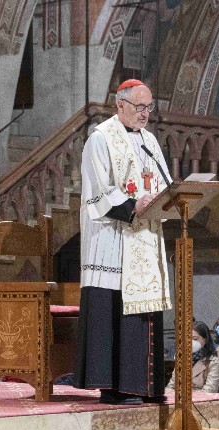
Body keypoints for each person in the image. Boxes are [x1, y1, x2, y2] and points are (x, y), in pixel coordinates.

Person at [73, 79, 172, 406]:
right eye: (139, 107)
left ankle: (146, 386)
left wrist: (164, 198)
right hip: (113, 238)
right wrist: (133, 205)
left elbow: (164, 182)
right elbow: (97, 190)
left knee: (144, 311)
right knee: (113, 309)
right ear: (120, 105)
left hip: (145, 238)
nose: (145, 114)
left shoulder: (149, 141)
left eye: (148, 107)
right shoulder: (100, 139)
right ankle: (115, 387)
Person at [166, 321, 219, 393]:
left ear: (204, 341)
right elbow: (171, 386)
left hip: (201, 399)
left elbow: (210, 390)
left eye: (195, 339)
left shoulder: (212, 361)